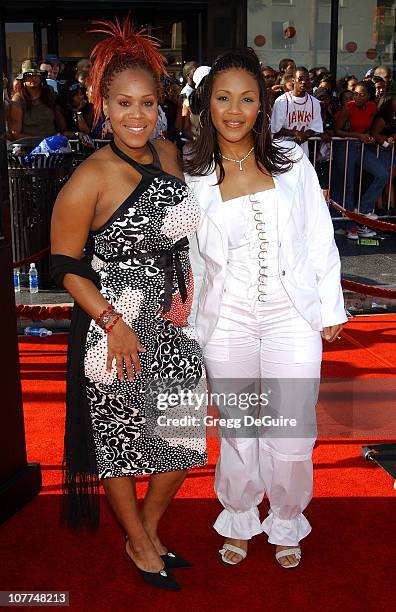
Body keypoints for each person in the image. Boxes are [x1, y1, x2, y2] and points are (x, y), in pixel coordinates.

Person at [50, 18, 206, 591]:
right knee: (119, 446)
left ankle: (146, 527)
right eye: (123, 104)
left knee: (184, 438)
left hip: (173, 323)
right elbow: (62, 266)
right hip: (112, 329)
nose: (136, 115)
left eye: (146, 102)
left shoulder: (170, 154)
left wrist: (188, 284)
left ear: (159, 105)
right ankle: (142, 545)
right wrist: (112, 322)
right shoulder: (90, 175)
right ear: (103, 106)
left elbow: (184, 232)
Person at [184, 48, 346, 569]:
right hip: (226, 319)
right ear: (207, 105)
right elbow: (192, 259)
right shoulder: (194, 175)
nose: (235, 109)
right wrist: (189, 318)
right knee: (238, 427)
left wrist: (330, 307)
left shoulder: (292, 161)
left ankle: (286, 519)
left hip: (290, 316)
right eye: (224, 97)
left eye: (248, 98)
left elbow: (320, 238)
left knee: (292, 427)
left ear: (262, 105)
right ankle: (238, 515)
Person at [333, 81, 388, 219]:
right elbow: (337, 131)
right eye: (355, 94)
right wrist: (358, 135)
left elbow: (368, 126)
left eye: (361, 95)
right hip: (346, 147)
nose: (357, 97)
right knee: (348, 186)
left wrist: (368, 135)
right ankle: (349, 223)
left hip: (361, 147)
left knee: (382, 174)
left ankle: (364, 208)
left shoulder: (372, 107)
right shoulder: (348, 107)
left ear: (368, 96)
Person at [271, 66, 323, 156]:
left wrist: (303, 136)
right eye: (300, 79)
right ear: (293, 80)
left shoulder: (314, 102)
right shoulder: (282, 101)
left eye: (307, 80)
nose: (303, 82)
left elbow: (316, 128)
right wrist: (296, 133)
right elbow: (276, 130)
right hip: (282, 149)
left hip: (302, 151)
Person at [7, 61, 65, 140]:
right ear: (23, 79)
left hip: (54, 141)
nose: (33, 78)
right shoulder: (18, 100)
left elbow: (59, 115)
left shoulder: (49, 93)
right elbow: (15, 133)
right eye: (29, 75)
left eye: (36, 75)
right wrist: (42, 141)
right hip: (30, 146)